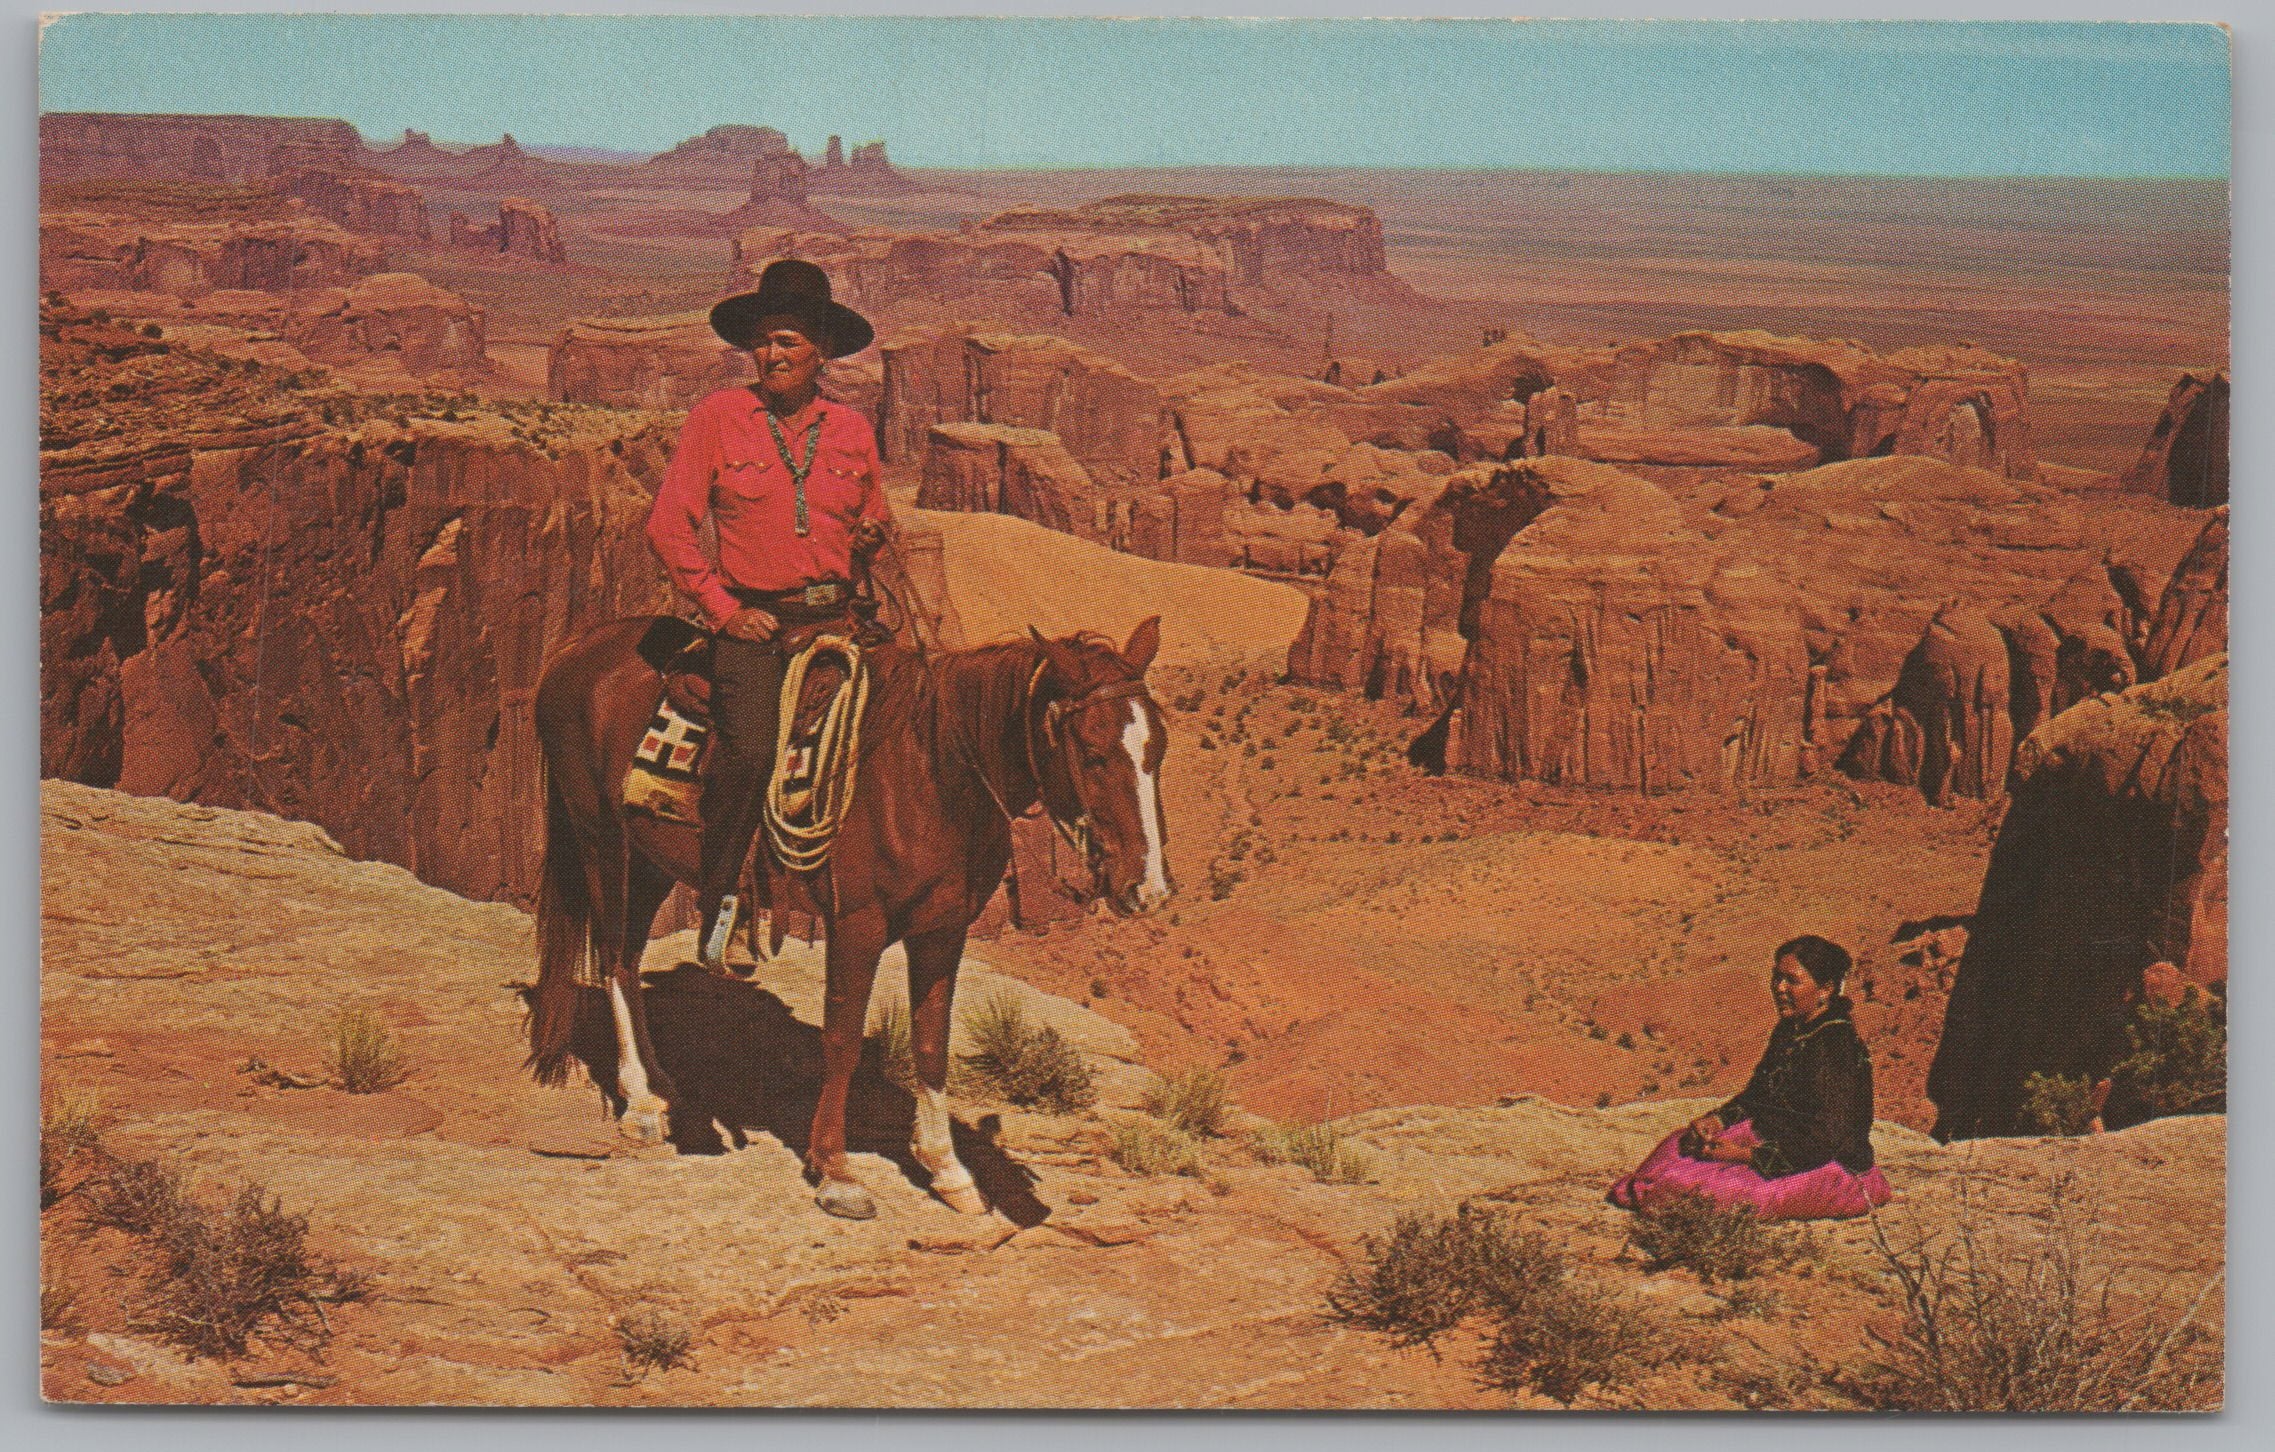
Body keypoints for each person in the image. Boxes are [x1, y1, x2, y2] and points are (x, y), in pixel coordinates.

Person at [645, 259, 887, 971]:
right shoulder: (718, 418)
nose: (772, 355)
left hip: (837, 623)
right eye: (763, 342)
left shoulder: (850, 430)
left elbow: (873, 514)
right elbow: (668, 526)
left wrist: (872, 533)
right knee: (751, 749)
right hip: (757, 623)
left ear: (821, 350)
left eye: (787, 342)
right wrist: (721, 612)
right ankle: (725, 896)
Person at [1609, 935, 1893, 1222]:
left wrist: (1745, 1155)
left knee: (1700, 1192)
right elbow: (1758, 1095)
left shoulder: (1835, 1046)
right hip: (1774, 1138)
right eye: (1776, 978)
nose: (1779, 989)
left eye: (1792, 981)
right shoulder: (1791, 1029)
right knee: (1676, 1148)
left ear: (1825, 989)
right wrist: (1718, 1120)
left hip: (1825, 1165)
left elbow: (1827, 1139)